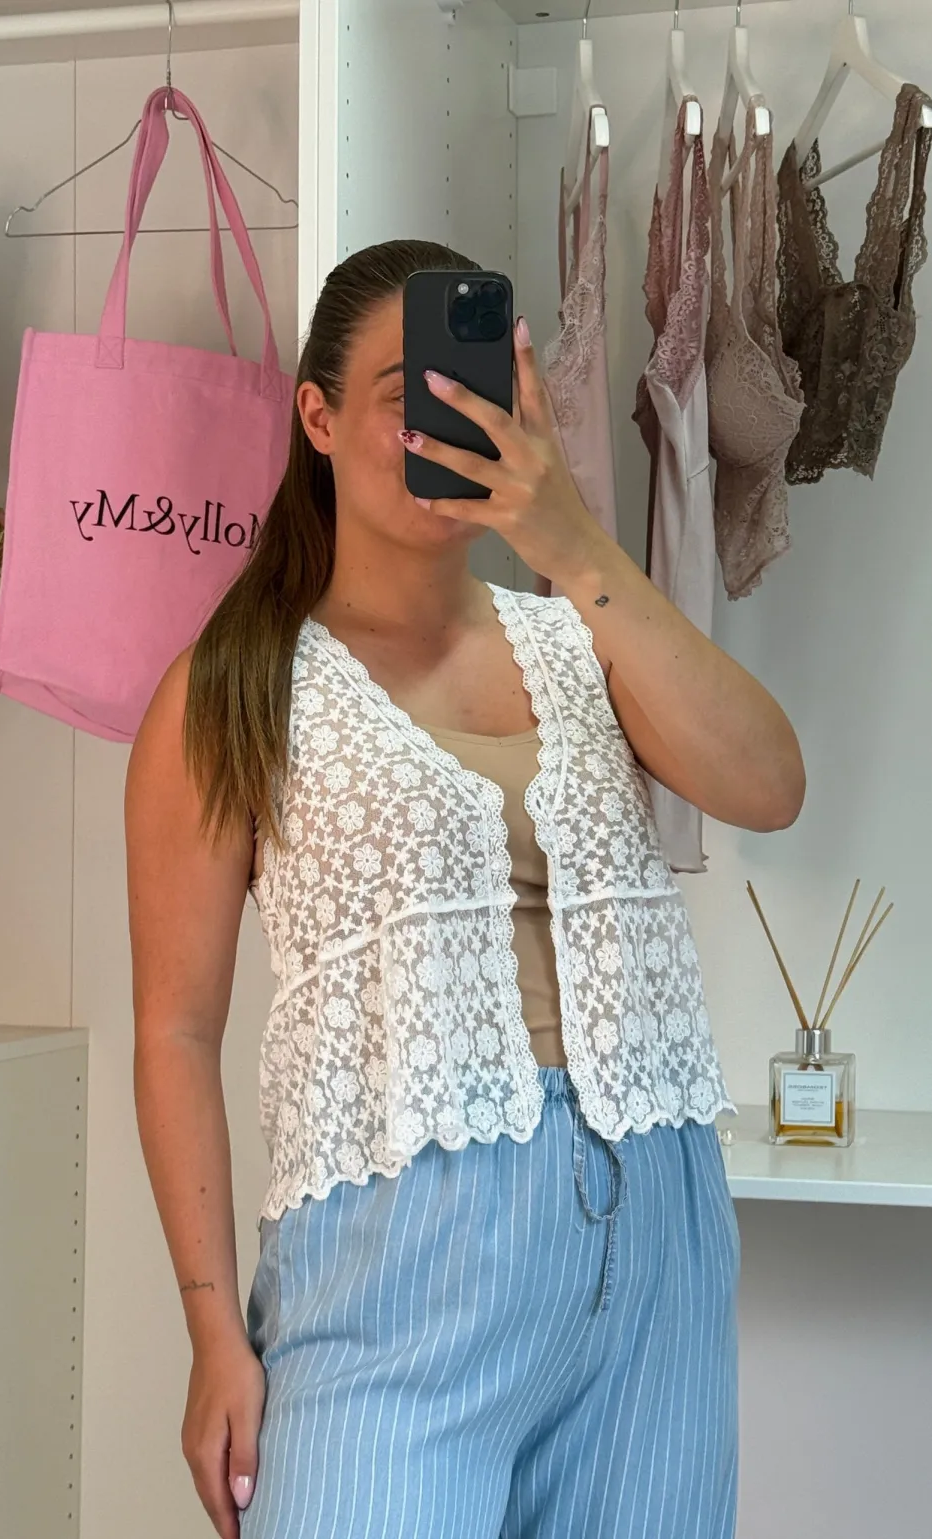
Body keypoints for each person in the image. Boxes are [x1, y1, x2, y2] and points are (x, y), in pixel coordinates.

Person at [125, 239, 805, 1539]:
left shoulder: (584, 636)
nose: (445, 423)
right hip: (398, 1264)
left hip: (656, 1243)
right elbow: (175, 1032)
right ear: (317, 417)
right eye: (406, 395)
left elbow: (769, 783)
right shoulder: (233, 687)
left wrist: (571, 540)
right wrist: (213, 1332)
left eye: (476, 392)